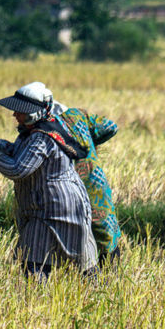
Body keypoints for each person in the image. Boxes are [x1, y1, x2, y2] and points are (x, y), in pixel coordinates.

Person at [0, 82, 97, 281]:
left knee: (82, 263)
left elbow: (18, 169)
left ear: (34, 114)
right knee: (32, 261)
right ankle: (36, 302)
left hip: (63, 208)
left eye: (20, 111)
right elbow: (19, 152)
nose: (15, 114)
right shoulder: (31, 133)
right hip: (41, 209)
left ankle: (97, 294)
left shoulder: (43, 137)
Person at [53, 102, 123, 268]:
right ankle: (109, 277)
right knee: (105, 230)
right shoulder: (78, 117)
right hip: (95, 182)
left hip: (69, 187)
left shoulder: (48, 126)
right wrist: (90, 142)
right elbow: (110, 127)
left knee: (77, 233)